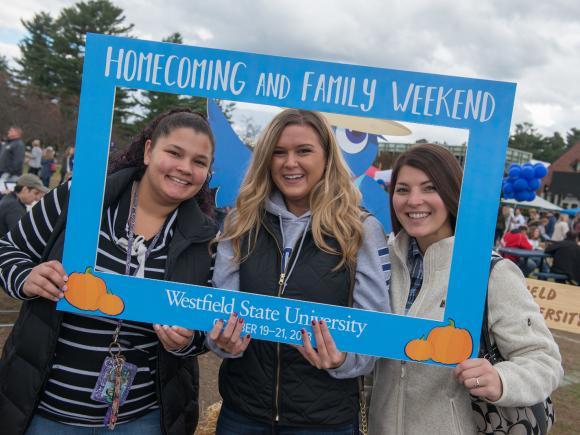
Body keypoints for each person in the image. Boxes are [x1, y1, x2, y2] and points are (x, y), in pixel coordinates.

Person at [0, 109, 218, 434]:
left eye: (199, 162)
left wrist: (184, 341)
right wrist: (26, 278)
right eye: (174, 153)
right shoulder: (79, 198)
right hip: (46, 411)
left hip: (141, 418)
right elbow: (8, 251)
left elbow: (204, 326)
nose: (185, 168)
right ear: (148, 151)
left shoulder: (204, 239)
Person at [208, 109, 391, 433]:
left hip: (323, 420)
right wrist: (222, 343)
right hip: (243, 415)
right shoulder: (241, 222)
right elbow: (221, 310)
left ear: (327, 157)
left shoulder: (361, 229)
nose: (289, 163)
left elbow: (374, 331)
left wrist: (343, 360)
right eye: (279, 152)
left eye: (303, 151)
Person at [368, 143, 562, 435]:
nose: (414, 200)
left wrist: (501, 380)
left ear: (451, 193)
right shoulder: (378, 260)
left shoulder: (489, 272)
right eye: (403, 189)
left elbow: (544, 361)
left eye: (429, 188)